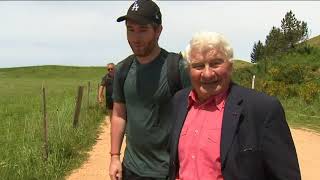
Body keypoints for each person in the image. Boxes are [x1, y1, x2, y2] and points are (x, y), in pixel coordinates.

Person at [168, 31, 301, 180]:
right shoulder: (179, 101)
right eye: (198, 66)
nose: (207, 74)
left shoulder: (262, 108)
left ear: (230, 66)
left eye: (215, 64)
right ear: (188, 71)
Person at [109, 0, 190, 180]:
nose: (135, 38)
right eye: (130, 29)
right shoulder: (122, 69)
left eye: (143, 30)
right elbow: (119, 114)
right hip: (131, 169)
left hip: (170, 171)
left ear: (158, 30)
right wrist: (115, 157)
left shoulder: (178, 68)